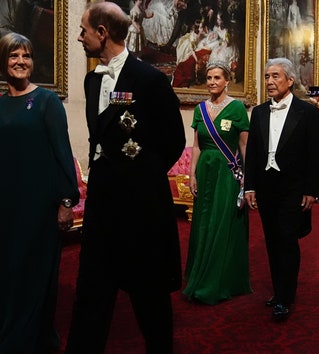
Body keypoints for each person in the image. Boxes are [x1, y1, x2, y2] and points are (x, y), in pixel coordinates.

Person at [65, 2, 186, 354]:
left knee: (149, 297)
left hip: (141, 208)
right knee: (92, 293)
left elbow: (173, 141)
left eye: (84, 30)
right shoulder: (91, 81)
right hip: (102, 206)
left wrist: (140, 178)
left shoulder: (149, 79)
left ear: (102, 33)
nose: (79, 36)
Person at [0, 32, 79, 353]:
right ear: (3, 62)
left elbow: (63, 153)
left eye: (27, 55)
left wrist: (65, 201)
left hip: (39, 208)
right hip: (6, 205)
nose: (21, 62)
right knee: (7, 272)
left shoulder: (47, 102)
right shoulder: (1, 103)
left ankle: (24, 341)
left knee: (31, 274)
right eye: (14, 56)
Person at [244, 57, 319, 321]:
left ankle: (285, 298)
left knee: (288, 241)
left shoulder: (308, 112)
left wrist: (311, 190)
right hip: (266, 188)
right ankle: (279, 291)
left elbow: (315, 155)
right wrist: (250, 187)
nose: (269, 81)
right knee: (272, 241)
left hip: (293, 188)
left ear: (290, 80)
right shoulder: (258, 112)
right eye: (267, 76)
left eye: (275, 76)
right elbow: (253, 154)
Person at [183, 60, 252, 305]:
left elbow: (244, 146)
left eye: (217, 78)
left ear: (227, 80)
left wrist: (247, 180)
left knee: (223, 223)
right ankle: (199, 275)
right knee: (203, 223)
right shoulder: (200, 109)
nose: (212, 82)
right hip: (205, 172)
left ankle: (220, 280)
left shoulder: (237, 109)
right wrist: (192, 175)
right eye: (209, 78)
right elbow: (197, 145)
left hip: (228, 173)